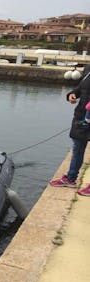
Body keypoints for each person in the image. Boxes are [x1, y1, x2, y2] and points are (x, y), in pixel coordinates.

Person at [49, 65, 90, 197]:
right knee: (77, 148)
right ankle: (71, 178)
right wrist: (72, 94)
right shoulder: (88, 69)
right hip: (81, 116)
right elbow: (81, 88)